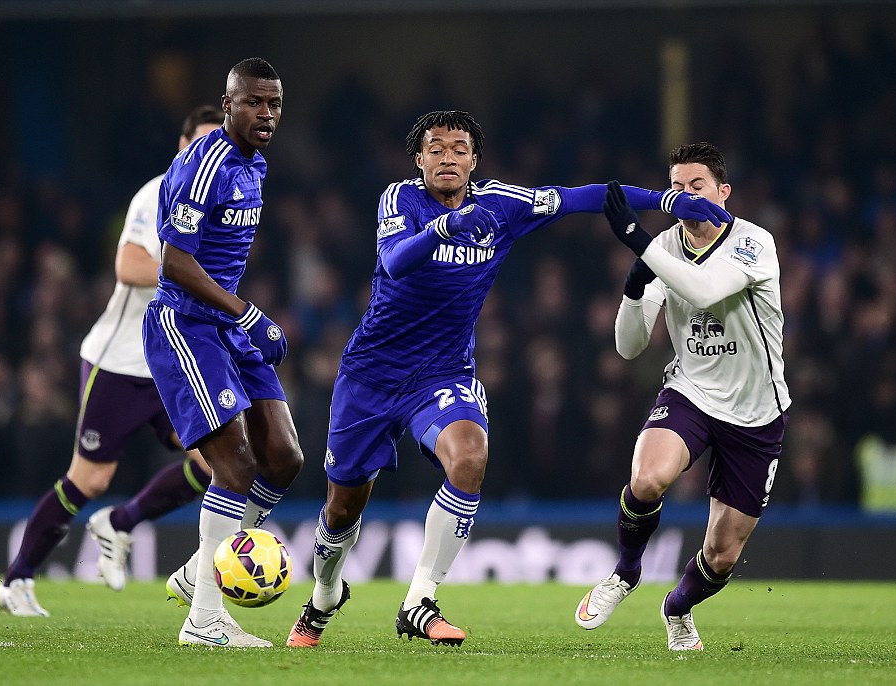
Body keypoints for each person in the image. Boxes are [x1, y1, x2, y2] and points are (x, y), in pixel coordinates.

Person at [285, 111, 732, 648]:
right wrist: (442, 229)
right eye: (435, 148)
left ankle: (419, 600)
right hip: (371, 376)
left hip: (443, 373)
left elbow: (585, 196)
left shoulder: (501, 204)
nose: (447, 156)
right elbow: (395, 261)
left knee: (470, 456)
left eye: (458, 148)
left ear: (475, 161)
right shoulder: (399, 200)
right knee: (342, 506)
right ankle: (325, 595)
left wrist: (668, 201)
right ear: (418, 159)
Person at [0, 105, 224, 618]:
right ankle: (16, 579)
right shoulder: (158, 192)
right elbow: (129, 264)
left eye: (219, 145)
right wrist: (188, 271)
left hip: (171, 364)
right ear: (183, 145)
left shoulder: (222, 206)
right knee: (90, 479)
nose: (211, 154)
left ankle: (119, 524)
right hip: (119, 362)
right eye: (202, 143)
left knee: (216, 465)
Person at [574, 142, 791, 651]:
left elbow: (705, 291)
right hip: (691, 390)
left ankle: (677, 607)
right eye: (676, 187)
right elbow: (628, 348)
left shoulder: (753, 241)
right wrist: (631, 294)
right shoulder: (665, 246)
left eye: (697, 186)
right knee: (647, 479)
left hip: (757, 410)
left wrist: (635, 241)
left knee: (722, 553)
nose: (686, 195)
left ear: (722, 192)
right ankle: (625, 572)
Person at [142, 57, 303, 649]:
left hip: (226, 324)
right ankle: (205, 619)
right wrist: (246, 312)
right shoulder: (204, 165)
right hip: (185, 323)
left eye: (276, 104)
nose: (267, 114)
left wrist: (239, 314)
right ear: (228, 102)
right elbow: (174, 263)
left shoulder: (255, 164)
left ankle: (200, 567)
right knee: (234, 464)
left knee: (284, 457)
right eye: (255, 103)